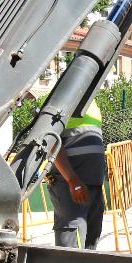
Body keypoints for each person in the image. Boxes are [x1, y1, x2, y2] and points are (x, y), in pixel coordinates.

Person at [49, 97, 107, 249]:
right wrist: (72, 181)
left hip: (93, 184)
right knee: (71, 240)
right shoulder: (65, 96)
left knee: (90, 241)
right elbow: (51, 142)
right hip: (72, 186)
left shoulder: (91, 103)